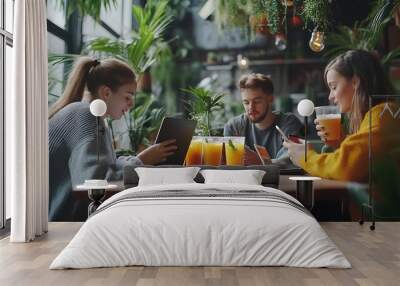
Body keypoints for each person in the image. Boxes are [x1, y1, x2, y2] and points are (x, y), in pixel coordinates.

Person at [49, 57, 177, 221]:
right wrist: (141, 161)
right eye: (128, 96)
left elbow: (103, 168)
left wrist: (139, 159)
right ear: (106, 93)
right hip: (62, 225)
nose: (131, 104)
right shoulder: (86, 116)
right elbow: (95, 183)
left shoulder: (87, 114)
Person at [284, 49, 400, 182]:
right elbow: (364, 165)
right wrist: (340, 142)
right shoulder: (381, 114)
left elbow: (346, 168)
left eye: (333, 87)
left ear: (356, 82)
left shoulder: (383, 115)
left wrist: (306, 157)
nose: (330, 96)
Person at [224, 73, 303, 165]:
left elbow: (291, 160)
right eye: (246, 102)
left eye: (257, 101)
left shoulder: (289, 123)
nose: (251, 108)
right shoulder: (234, 127)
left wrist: (261, 161)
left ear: (270, 99)